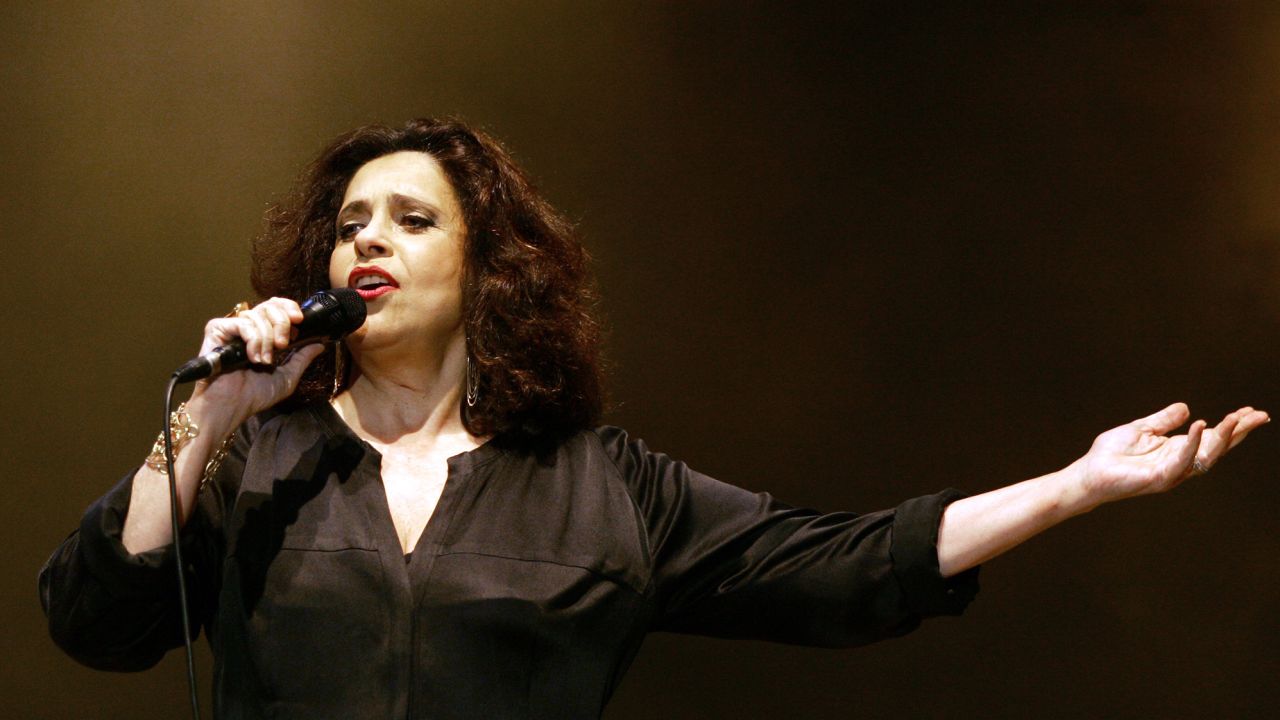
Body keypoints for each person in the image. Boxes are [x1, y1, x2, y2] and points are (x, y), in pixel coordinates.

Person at [39, 118, 1268, 719]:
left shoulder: (599, 485)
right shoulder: (267, 457)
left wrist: (1072, 486)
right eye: (352, 222)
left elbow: (838, 566)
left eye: (412, 221)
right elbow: (96, 621)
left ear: (486, 271)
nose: (369, 239)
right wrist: (209, 415)